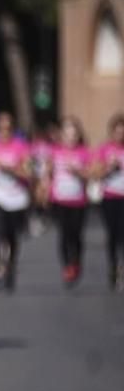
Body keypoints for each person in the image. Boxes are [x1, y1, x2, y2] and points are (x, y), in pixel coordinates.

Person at [0, 111, 33, 291]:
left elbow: (28, 172)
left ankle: (10, 266)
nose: (4, 132)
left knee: (12, 236)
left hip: (15, 196)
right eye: (1, 129)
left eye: (8, 128)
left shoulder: (21, 146)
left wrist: (10, 169)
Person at [45, 116, 91, 286]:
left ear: (78, 135)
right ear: (62, 135)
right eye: (67, 134)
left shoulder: (84, 152)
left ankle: (77, 261)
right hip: (59, 200)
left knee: (76, 235)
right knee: (64, 235)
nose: (70, 137)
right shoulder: (54, 151)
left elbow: (91, 174)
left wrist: (78, 172)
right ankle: (67, 266)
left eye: (74, 134)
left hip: (78, 201)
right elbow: (48, 174)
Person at [93, 113, 124, 291]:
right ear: (112, 133)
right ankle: (113, 266)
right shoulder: (104, 149)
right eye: (117, 132)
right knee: (113, 234)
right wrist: (109, 168)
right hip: (110, 197)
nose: (120, 136)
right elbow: (96, 174)